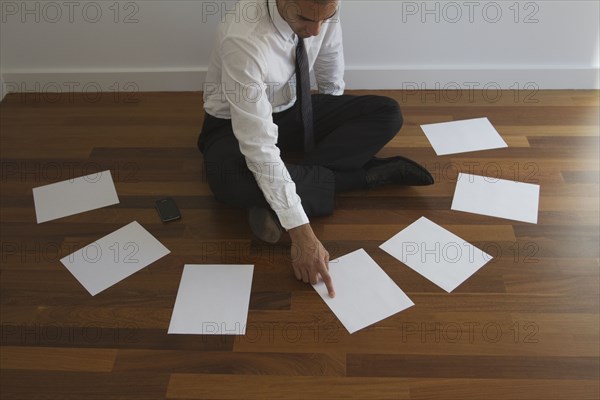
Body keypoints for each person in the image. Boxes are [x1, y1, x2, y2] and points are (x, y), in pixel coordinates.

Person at [198, 0, 433, 298]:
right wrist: (302, 233)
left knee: (387, 113)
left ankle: (273, 198)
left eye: (327, 18)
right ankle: (364, 177)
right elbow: (257, 143)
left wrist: (333, 121)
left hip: (293, 109)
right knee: (225, 179)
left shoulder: (322, 9)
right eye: (306, 19)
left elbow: (330, 61)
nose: (316, 30)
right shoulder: (243, 39)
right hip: (233, 124)